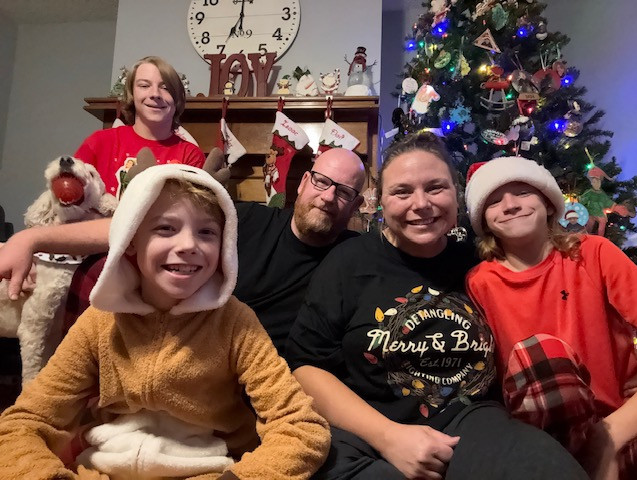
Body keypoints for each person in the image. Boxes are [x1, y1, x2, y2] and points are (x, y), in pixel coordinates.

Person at [286, 132, 587, 479]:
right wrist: (388, 437)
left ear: (456, 196)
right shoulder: (348, 261)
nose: (421, 204)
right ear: (381, 201)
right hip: (366, 430)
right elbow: (306, 366)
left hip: (472, 422)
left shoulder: (482, 259)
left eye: (435, 187)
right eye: (402, 192)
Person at [0, 164, 330, 479]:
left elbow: (301, 428)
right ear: (131, 239)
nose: (188, 245)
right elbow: (24, 423)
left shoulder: (236, 322)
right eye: (165, 228)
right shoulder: (100, 321)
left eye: (206, 232)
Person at [0, 148, 366, 354]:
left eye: (344, 192)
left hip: (270, 378)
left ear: (356, 204)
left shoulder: (357, 256)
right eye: (321, 181)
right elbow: (128, 225)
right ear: (304, 182)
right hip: (193, 355)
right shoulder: (246, 219)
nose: (328, 197)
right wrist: (31, 239)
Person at [464, 156, 637, 480]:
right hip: (537, 436)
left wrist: (608, 437)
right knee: (541, 358)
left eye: (523, 192)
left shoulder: (594, 254)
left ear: (548, 203)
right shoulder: (479, 283)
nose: (510, 205)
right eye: (494, 201)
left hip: (618, 420)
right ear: (483, 220)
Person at [74, 55, 205, 197]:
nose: (155, 94)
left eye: (165, 88)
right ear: (131, 94)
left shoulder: (191, 156)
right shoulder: (99, 142)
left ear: (177, 99)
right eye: (144, 86)